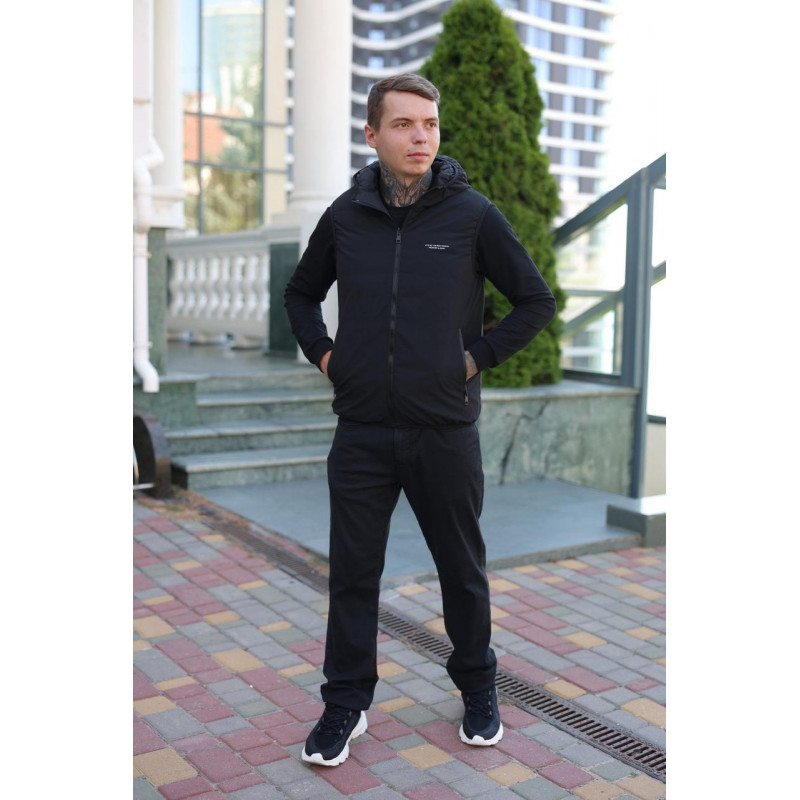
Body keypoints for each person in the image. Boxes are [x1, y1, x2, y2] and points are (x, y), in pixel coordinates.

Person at [284, 73, 556, 767]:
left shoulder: (472, 215)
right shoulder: (346, 216)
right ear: (372, 134)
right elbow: (301, 293)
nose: (420, 137)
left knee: (461, 571)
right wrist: (328, 357)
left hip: (444, 430)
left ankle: (478, 689)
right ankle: (346, 703)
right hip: (362, 430)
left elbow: (535, 300)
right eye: (404, 124)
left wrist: (472, 361)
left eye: (429, 124)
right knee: (352, 576)